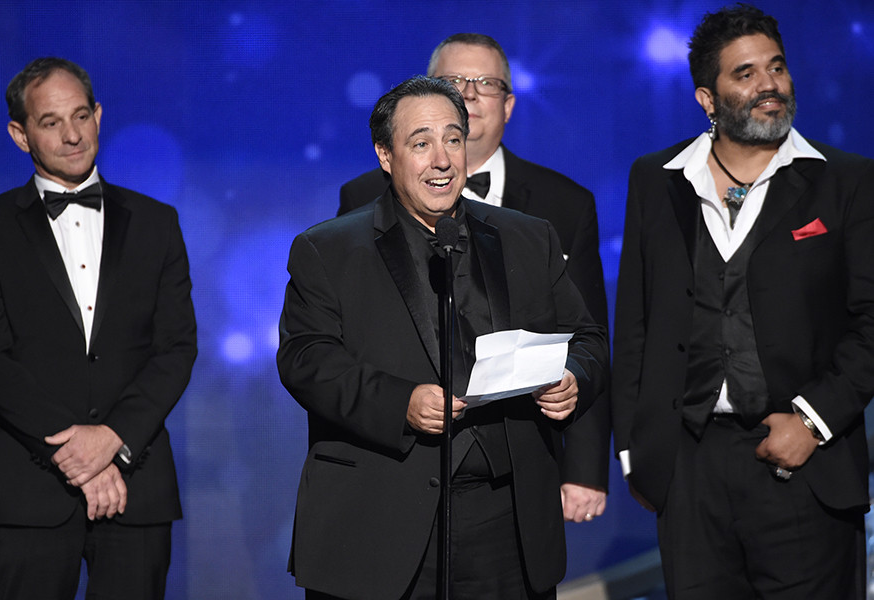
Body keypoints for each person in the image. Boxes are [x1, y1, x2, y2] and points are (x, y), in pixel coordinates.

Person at [278, 76, 607, 599]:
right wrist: (400, 402)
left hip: (506, 525)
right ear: (386, 156)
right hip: (379, 519)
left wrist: (574, 379)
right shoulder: (329, 249)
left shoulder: (528, 236)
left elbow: (587, 338)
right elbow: (306, 359)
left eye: (453, 139)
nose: (442, 160)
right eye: (421, 143)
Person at [611, 5, 874, 598]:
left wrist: (812, 420)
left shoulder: (846, 181)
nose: (769, 86)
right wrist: (636, 451)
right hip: (689, 466)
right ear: (708, 98)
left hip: (801, 463)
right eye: (746, 74)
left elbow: (872, 324)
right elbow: (636, 322)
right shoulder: (656, 178)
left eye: (776, 68)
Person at [339, 32, 610, 524]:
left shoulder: (564, 204)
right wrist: (398, 402)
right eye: (453, 81)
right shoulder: (359, 201)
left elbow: (587, 332)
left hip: (517, 460)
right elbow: (339, 341)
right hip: (399, 470)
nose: (468, 92)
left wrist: (585, 466)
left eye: (485, 82)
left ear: (507, 105)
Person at [0, 57, 197, 599]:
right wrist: (76, 455)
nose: (73, 135)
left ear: (98, 115)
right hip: (32, 490)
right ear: (19, 135)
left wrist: (113, 439)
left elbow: (176, 349)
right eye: (51, 122)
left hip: (138, 485)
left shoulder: (157, 222)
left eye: (81, 116)